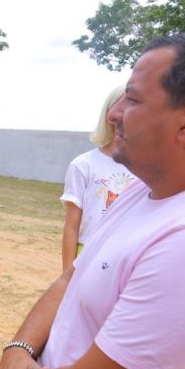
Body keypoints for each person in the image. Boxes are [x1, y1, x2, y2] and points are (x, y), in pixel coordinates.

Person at [0, 30, 185, 369]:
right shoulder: (141, 193)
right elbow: (73, 276)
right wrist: (19, 349)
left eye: (132, 99)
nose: (114, 114)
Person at [60, 85, 135, 270]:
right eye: (120, 108)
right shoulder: (83, 165)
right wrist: (67, 274)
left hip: (129, 257)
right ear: (108, 114)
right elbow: (71, 226)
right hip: (89, 255)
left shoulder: (148, 167)